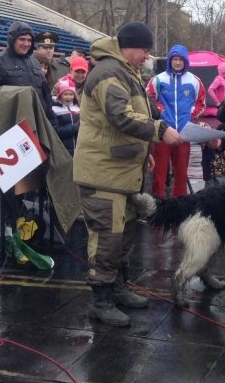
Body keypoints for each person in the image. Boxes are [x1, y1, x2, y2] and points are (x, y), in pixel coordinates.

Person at [73, 21, 182, 327]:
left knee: (124, 236)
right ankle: (101, 301)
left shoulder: (127, 72)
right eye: (143, 50)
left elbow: (137, 115)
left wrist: (142, 154)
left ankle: (118, 288)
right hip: (102, 174)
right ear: (127, 47)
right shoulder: (109, 73)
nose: (146, 56)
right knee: (107, 238)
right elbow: (120, 117)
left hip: (122, 170)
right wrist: (160, 131)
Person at [145, 44, 206, 197]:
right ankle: (157, 210)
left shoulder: (194, 81)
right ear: (170, 60)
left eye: (181, 60)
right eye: (175, 59)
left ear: (186, 61)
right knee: (158, 175)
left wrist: (190, 114)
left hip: (183, 135)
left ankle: (179, 210)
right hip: (162, 133)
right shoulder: (158, 80)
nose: (177, 63)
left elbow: (201, 102)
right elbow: (148, 100)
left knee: (181, 174)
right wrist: (162, 113)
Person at [0, 21, 52, 115]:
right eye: (22, 39)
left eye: (29, 40)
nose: (26, 44)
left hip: (37, 119)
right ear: (12, 40)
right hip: (13, 122)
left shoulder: (35, 62)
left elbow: (45, 93)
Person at [52, 78, 80, 154]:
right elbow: (55, 131)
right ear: (60, 95)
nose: (68, 97)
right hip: (64, 149)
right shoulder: (55, 110)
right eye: (65, 94)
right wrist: (74, 128)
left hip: (79, 149)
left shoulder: (78, 108)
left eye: (71, 94)